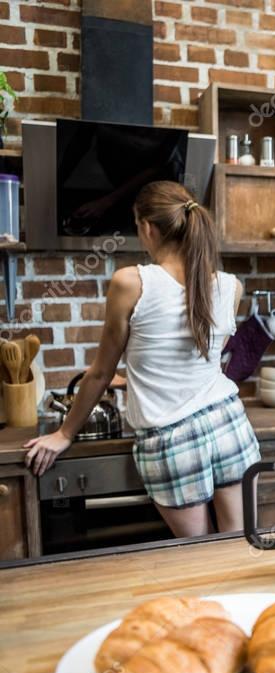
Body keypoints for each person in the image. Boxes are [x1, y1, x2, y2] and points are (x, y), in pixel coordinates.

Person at [24, 181, 260, 537]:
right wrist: (130, 380)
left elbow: (100, 373)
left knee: (196, 555)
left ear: (147, 227)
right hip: (229, 424)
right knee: (236, 548)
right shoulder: (231, 285)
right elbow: (202, 359)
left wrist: (63, 433)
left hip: (172, 440)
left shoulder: (131, 282)